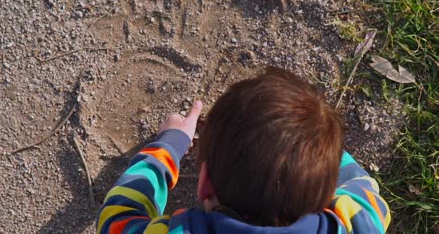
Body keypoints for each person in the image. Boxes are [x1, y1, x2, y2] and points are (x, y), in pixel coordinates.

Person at [96, 67, 391, 234]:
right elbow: (365, 191)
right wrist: (317, 152)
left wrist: (168, 146)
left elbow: (116, 218)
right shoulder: (357, 224)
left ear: (204, 183)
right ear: (323, 195)